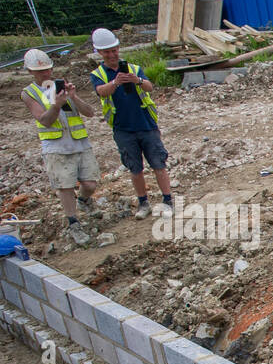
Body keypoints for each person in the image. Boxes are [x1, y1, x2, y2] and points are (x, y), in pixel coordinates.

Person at [89, 27, 173, 219]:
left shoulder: (133, 69)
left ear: (118, 48)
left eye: (114, 50)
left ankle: (168, 200)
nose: (112, 54)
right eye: (107, 52)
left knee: (158, 163)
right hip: (123, 128)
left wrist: (137, 80)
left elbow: (149, 87)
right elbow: (101, 91)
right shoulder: (99, 74)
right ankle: (143, 203)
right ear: (100, 53)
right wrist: (116, 82)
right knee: (135, 168)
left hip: (145, 123)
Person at [21, 48, 99, 247]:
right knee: (65, 187)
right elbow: (45, 120)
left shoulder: (62, 86)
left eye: (47, 69)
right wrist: (56, 105)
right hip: (56, 146)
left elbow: (89, 112)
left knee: (90, 184)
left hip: (79, 142)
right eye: (40, 71)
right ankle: (73, 222)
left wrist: (73, 97)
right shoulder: (30, 93)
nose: (45, 74)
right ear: (31, 72)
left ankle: (84, 200)